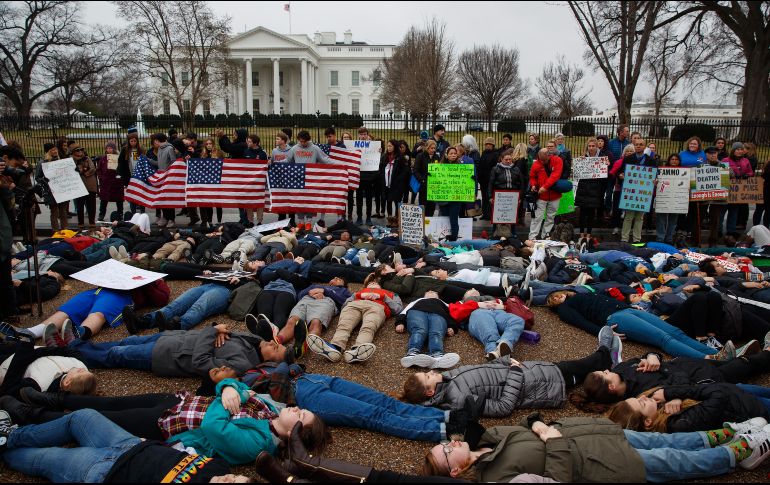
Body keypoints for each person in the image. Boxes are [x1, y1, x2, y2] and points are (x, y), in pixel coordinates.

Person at [423, 416, 770, 481]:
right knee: (674, 461)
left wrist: (540, 425)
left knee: (666, 441)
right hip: (600, 462)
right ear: (455, 470)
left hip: (594, 434)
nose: (451, 442)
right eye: (447, 451)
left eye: (445, 443)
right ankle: (741, 452)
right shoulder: (495, 478)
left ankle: (725, 435)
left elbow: (530, 424)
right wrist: (552, 440)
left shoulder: (488, 438)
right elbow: (557, 480)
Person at [399, 328, 622, 416]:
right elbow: (503, 407)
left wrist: (505, 360)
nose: (431, 371)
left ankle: (606, 358)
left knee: (579, 368)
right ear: (430, 392)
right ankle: (606, 353)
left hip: (533, 372)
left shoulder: (449, 377)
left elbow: (486, 370)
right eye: (427, 376)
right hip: (540, 385)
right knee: (583, 365)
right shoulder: (459, 400)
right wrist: (514, 372)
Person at [0, 409, 254, 482]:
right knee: (82, 416)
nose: (229, 479)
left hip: (106, 471)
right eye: (235, 478)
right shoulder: (218, 467)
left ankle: (4, 449)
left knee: (44, 459)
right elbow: (184, 450)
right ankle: (11, 436)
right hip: (129, 443)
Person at [547, 290, 731, 360]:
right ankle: (707, 359)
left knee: (676, 331)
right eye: (553, 300)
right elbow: (580, 322)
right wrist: (604, 332)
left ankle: (717, 353)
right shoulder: (565, 308)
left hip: (627, 310)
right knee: (663, 338)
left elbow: (607, 299)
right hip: (614, 318)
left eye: (556, 294)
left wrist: (630, 305)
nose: (557, 298)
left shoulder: (581, 293)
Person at [607, 382, 770, 433]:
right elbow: (719, 396)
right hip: (749, 408)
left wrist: (675, 396)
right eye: (641, 403)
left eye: (637, 398)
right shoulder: (679, 423)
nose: (643, 397)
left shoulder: (660, 407)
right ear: (648, 422)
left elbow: (679, 376)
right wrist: (673, 393)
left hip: (736, 392)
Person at [307, 280, 403, 364]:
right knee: (344, 325)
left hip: (376, 306)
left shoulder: (390, 293)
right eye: (370, 283)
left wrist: (384, 297)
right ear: (366, 286)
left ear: (380, 287)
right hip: (354, 305)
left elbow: (398, 309)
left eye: (375, 283)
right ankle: (335, 347)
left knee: (369, 326)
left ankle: (358, 349)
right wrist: (357, 296)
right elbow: (344, 304)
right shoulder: (359, 292)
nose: (373, 283)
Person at [395, 290, 461, 369]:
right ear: (424, 295)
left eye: (433, 291)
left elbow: (451, 315)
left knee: (436, 332)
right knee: (420, 330)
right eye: (428, 291)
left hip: (439, 314)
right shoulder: (417, 301)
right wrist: (400, 322)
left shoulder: (443, 303)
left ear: (438, 296)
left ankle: (437, 355)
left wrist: (452, 327)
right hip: (417, 312)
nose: (431, 291)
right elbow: (404, 312)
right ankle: (412, 353)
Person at [618, 138, 656, 243]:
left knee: (640, 217)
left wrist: (655, 180)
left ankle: (637, 239)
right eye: (636, 144)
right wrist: (621, 176)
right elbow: (620, 172)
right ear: (634, 146)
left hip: (643, 193)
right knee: (628, 217)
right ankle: (624, 238)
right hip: (630, 192)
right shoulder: (627, 159)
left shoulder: (651, 161)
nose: (638, 146)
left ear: (645, 147)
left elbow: (655, 175)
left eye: (641, 144)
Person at [574, 137, 610, 238]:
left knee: (591, 213)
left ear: (597, 146)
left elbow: (606, 175)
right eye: (589, 146)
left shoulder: (602, 158)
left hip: (595, 189)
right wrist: (579, 163)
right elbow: (577, 173)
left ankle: (589, 235)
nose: (591, 148)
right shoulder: (583, 157)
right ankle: (581, 234)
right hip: (583, 189)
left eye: (593, 146)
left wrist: (607, 166)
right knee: (582, 213)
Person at [488, 148, 527, 239]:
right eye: (506, 159)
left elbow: (521, 184)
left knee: (512, 216)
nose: (508, 161)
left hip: (513, 196)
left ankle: (513, 234)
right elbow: (491, 183)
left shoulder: (516, 169)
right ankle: (495, 233)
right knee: (497, 216)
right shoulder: (495, 169)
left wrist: (520, 197)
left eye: (510, 159)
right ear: (501, 159)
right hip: (499, 196)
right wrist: (490, 197)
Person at [528, 146, 563, 240]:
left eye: (544, 160)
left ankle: (546, 235)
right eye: (541, 159)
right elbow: (532, 176)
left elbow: (555, 175)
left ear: (549, 155)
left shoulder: (557, 160)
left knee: (550, 216)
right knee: (537, 217)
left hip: (554, 195)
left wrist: (544, 187)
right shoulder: (536, 164)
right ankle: (532, 237)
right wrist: (533, 185)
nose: (542, 161)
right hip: (541, 196)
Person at [721, 142, 754, 236]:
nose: (740, 151)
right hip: (726, 189)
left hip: (738, 190)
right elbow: (721, 172)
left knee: (734, 211)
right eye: (737, 149)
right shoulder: (725, 160)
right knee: (722, 211)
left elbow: (751, 172)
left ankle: (731, 231)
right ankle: (718, 230)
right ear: (733, 150)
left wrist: (747, 175)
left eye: (741, 149)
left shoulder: (746, 161)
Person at [35, 143, 69, 232]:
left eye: (55, 149)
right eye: (52, 150)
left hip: (61, 189)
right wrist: (45, 180)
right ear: (48, 151)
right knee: (54, 211)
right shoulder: (42, 163)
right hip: (50, 191)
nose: (55, 151)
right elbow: (37, 177)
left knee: (63, 211)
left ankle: (65, 229)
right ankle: (56, 230)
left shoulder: (60, 161)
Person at [437, 147, 466, 241]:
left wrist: (470, 178)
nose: (453, 155)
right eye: (451, 153)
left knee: (454, 220)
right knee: (444, 217)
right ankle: (440, 238)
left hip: (455, 198)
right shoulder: (440, 166)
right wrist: (432, 176)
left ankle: (454, 239)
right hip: (443, 198)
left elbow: (464, 180)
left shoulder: (461, 166)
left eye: (455, 153)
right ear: (446, 155)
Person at [150, 133, 178, 228]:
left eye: (155, 141)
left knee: (169, 199)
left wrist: (169, 173)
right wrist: (148, 160)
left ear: (157, 140)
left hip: (168, 177)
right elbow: (159, 163)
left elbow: (173, 162)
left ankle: (171, 219)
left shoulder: (170, 148)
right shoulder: (159, 149)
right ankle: (165, 217)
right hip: (161, 177)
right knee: (162, 198)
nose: (154, 142)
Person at [655, 154, 683, 244]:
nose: (674, 161)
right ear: (669, 160)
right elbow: (657, 182)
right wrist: (656, 182)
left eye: (676, 159)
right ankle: (660, 238)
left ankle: (669, 239)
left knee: (673, 220)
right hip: (664, 198)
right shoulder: (662, 170)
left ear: (679, 161)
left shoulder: (684, 172)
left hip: (677, 198)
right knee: (661, 219)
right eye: (672, 159)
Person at [70, 143, 97, 233]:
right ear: (73, 152)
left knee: (91, 205)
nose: (80, 152)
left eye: (81, 150)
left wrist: (83, 171)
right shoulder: (71, 161)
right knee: (79, 206)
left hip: (90, 184)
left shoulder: (87, 158)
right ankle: (80, 224)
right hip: (78, 186)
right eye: (77, 150)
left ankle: (92, 223)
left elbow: (93, 168)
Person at [379, 139, 409, 218]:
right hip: (387, 183)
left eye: (390, 146)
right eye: (388, 146)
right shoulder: (384, 157)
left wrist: (398, 180)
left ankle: (396, 217)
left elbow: (405, 171)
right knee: (388, 200)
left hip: (396, 184)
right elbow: (381, 168)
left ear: (395, 147)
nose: (388, 148)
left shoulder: (400, 157)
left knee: (397, 201)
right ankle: (390, 217)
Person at [95, 141, 125, 222]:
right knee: (104, 200)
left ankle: (120, 214)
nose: (109, 150)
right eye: (107, 148)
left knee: (119, 200)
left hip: (116, 183)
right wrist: (101, 178)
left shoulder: (118, 158)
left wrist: (120, 177)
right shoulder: (103, 159)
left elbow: (122, 169)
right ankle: (101, 214)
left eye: (111, 148)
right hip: (106, 183)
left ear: (114, 149)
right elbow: (99, 169)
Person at [414, 139, 441, 217]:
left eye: (434, 148)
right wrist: (422, 180)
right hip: (424, 186)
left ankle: (430, 222)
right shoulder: (420, 156)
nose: (433, 150)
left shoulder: (436, 157)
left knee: (431, 207)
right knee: (423, 207)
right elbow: (416, 171)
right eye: (431, 148)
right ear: (427, 148)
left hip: (433, 187)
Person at [478, 137, 497, 221]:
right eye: (486, 144)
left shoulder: (495, 154)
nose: (488, 146)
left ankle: (489, 214)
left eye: (489, 144)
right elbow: (480, 165)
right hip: (483, 180)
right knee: (484, 197)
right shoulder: (483, 153)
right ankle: (484, 213)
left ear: (493, 145)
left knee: (489, 197)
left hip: (490, 180)